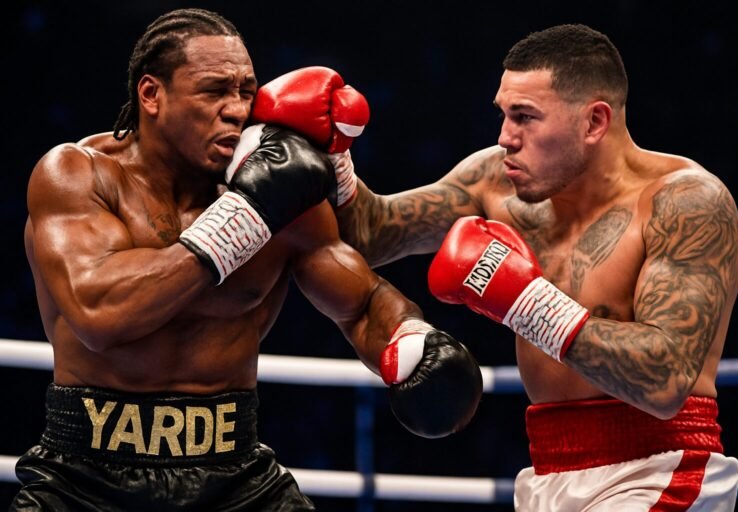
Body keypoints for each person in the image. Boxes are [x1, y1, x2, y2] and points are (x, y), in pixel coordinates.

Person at [13, 8, 483, 511]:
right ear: (151, 95)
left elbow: (362, 300)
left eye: (245, 91)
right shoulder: (77, 176)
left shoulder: (275, 186)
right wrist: (244, 218)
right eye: (215, 91)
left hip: (234, 475)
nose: (237, 109)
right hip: (85, 479)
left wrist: (410, 341)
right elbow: (99, 313)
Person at [273, 23, 738, 510]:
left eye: (525, 117)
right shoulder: (494, 179)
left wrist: (524, 301)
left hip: (661, 468)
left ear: (594, 122)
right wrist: (335, 157)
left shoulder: (685, 203)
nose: (505, 138)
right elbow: (371, 234)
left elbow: (665, 383)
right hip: (548, 470)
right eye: (503, 115)